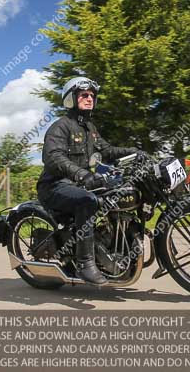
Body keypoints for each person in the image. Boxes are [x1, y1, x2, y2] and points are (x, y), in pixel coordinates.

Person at [36, 77, 139, 285]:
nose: (89, 98)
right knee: (87, 201)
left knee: (118, 193)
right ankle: (85, 264)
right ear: (70, 99)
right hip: (55, 186)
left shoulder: (90, 128)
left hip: (78, 185)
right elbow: (53, 157)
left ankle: (115, 246)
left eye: (92, 95)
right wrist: (82, 174)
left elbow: (107, 151)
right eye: (84, 95)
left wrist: (135, 152)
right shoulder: (61, 126)